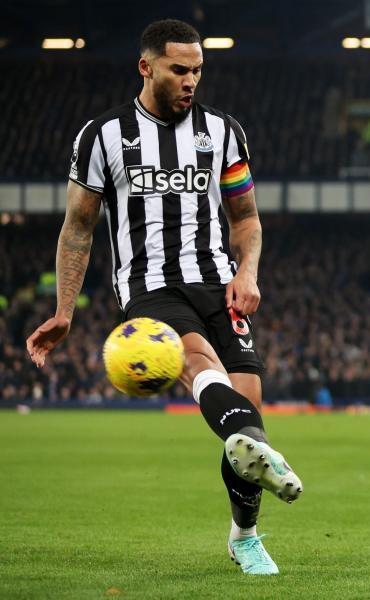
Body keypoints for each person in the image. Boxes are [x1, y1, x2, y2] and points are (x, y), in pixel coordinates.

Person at [25, 19, 302, 576]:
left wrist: (247, 273)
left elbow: (245, 218)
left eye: (198, 70)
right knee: (198, 360)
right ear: (146, 67)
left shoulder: (224, 132)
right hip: (148, 287)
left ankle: (243, 534)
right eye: (180, 69)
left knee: (246, 418)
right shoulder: (101, 135)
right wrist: (63, 310)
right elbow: (78, 229)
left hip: (216, 281)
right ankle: (251, 521)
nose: (191, 80)